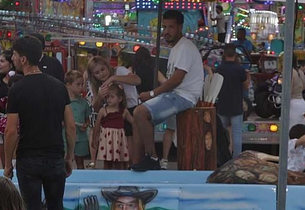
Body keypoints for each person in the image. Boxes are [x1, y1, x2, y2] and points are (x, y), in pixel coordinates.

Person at [3, 34, 77, 210]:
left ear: (23, 59)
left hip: (28, 158)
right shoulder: (59, 87)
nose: (12, 58)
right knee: (57, 209)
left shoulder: (17, 89)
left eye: (14, 54)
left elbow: (11, 131)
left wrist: (7, 162)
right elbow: (71, 126)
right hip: (55, 156)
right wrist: (69, 156)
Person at [131, 12, 203, 172]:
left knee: (139, 113)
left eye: (171, 27)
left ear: (180, 27)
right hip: (177, 94)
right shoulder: (177, 48)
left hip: (184, 96)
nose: (166, 31)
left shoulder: (184, 47)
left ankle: (152, 159)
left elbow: (176, 80)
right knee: (137, 120)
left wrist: (152, 94)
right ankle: (139, 160)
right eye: (164, 27)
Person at [215, 45, 249, 157]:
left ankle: (221, 156)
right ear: (235, 55)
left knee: (221, 133)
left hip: (222, 105)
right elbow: (245, 86)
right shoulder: (239, 69)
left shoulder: (219, 68)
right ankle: (237, 157)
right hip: (236, 105)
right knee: (237, 133)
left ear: (224, 54)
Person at [94, 80, 130, 170]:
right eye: (107, 97)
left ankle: (120, 180)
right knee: (107, 162)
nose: (109, 99)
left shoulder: (124, 111)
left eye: (112, 97)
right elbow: (97, 125)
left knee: (119, 162)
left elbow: (133, 122)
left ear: (120, 99)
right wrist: (95, 138)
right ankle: (106, 181)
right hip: (107, 140)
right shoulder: (103, 110)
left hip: (119, 140)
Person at [68, 68, 92, 170]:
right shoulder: (64, 102)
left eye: (82, 84)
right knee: (66, 160)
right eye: (78, 84)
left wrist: (86, 124)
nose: (81, 87)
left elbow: (87, 118)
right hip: (66, 136)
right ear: (69, 85)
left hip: (81, 137)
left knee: (80, 161)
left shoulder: (84, 102)